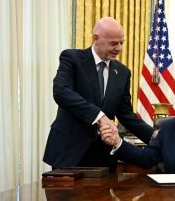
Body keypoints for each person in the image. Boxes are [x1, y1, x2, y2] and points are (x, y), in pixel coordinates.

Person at [43, 17, 154, 172]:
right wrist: (99, 116)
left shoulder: (122, 72)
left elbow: (126, 115)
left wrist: (156, 138)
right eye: (114, 43)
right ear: (96, 39)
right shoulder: (72, 58)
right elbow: (61, 92)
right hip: (69, 152)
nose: (119, 48)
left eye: (122, 42)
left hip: (103, 156)